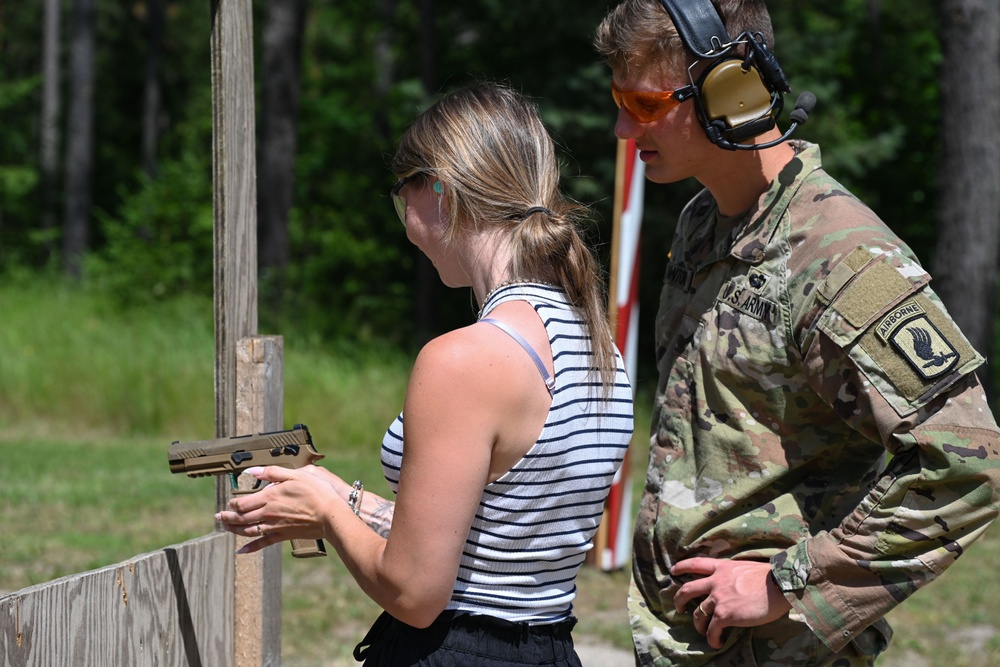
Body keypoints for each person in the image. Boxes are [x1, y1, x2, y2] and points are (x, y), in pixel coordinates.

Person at [593, 1, 1000, 665]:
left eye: (642, 104)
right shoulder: (703, 222)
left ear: (734, 92)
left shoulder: (837, 252)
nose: (620, 126)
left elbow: (970, 459)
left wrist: (789, 583)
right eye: (618, 99)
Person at [214, 81, 635, 666]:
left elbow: (414, 593)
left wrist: (328, 516)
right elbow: (495, 544)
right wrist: (343, 495)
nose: (406, 223)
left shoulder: (462, 359)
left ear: (438, 187)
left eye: (401, 195)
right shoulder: (598, 347)